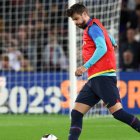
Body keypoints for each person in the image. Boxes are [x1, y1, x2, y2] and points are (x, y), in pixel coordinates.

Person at [66, 3, 140, 140]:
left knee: (118, 113)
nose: (75, 23)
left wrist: (84, 66)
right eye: (73, 20)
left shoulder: (92, 28)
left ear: (84, 14)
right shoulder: (96, 24)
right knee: (76, 113)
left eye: (76, 19)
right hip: (94, 79)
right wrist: (113, 41)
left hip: (103, 77)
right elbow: (107, 36)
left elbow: (102, 48)